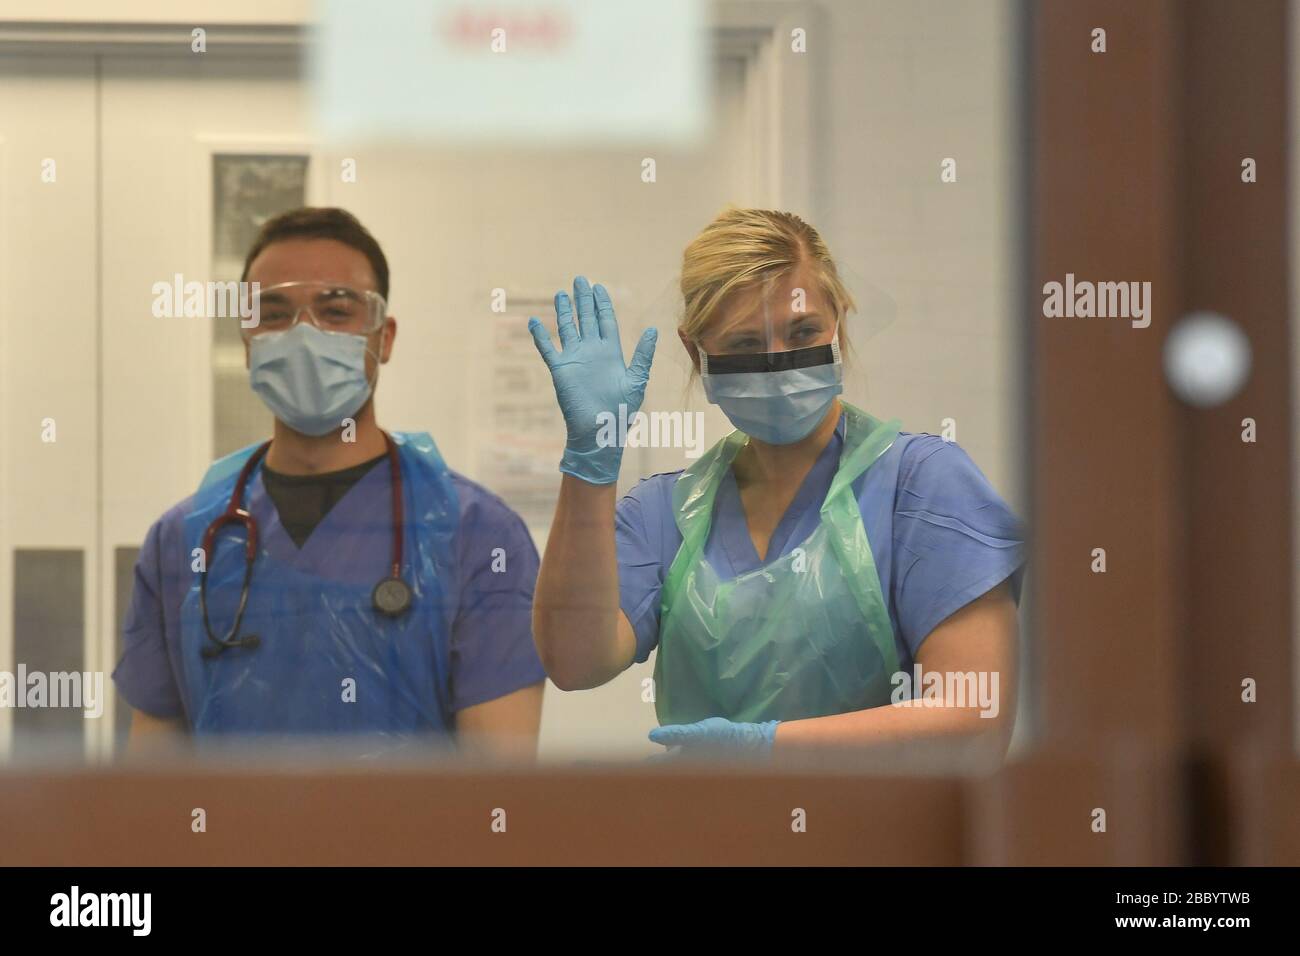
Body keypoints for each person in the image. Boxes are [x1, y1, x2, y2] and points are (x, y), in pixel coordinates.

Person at [528, 207, 1026, 761]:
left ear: (839, 321)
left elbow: (976, 721)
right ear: (697, 354)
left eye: (803, 331)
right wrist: (591, 461)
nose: (778, 363)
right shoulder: (664, 513)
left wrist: (768, 748)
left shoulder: (923, 487)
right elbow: (575, 663)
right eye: (743, 345)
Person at [114, 207, 545, 759]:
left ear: (382, 338)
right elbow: (153, 789)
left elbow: (498, 794)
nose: (303, 334)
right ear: (247, 341)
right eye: (274, 313)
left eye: (335, 310)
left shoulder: (478, 536)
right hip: (224, 846)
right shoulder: (181, 541)